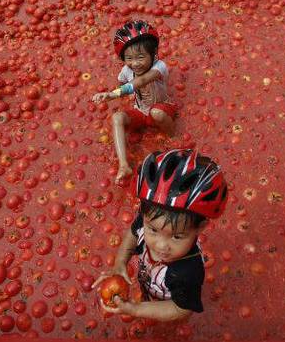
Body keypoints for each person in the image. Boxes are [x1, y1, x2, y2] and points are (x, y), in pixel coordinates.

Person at [92, 149, 228, 321]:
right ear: (144, 215)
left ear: (200, 228)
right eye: (153, 230)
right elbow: (133, 233)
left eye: (177, 236)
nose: (161, 245)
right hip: (149, 286)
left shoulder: (188, 272)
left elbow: (181, 309)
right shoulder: (147, 220)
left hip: (168, 303)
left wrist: (136, 310)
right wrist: (120, 262)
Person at [91, 20, 177, 185]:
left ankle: (173, 140)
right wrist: (108, 94)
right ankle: (124, 165)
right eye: (129, 58)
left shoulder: (159, 67)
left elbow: (141, 81)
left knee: (157, 113)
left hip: (161, 108)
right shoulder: (126, 71)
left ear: (153, 54)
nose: (135, 63)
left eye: (140, 57)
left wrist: (113, 94)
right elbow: (122, 84)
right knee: (117, 118)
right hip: (141, 111)